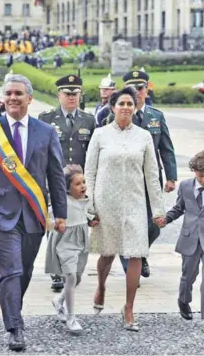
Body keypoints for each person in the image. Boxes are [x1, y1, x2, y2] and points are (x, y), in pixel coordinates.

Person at [0, 74, 67, 351]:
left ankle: (13, 310)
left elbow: (56, 175)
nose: (13, 98)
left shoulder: (46, 132)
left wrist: (60, 213)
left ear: (29, 98)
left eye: (18, 94)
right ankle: (15, 326)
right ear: (2, 98)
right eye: (8, 93)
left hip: (34, 213)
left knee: (23, 272)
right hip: (0, 214)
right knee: (10, 270)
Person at [84, 86, 165, 332]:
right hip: (106, 201)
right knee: (107, 253)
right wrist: (90, 206)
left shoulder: (144, 136)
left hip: (134, 202)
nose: (127, 108)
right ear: (113, 107)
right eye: (122, 104)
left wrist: (158, 209)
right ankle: (101, 286)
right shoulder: (100, 135)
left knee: (136, 253)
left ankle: (129, 308)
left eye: (131, 104)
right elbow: (90, 171)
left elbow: (152, 174)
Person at [39, 74, 95, 291]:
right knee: (56, 226)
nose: (72, 97)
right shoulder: (46, 118)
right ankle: (56, 271)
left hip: (78, 184)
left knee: (76, 224)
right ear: (58, 95)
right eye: (67, 93)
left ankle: (71, 267)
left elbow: (91, 152)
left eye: (75, 93)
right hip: (54, 180)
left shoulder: (88, 120)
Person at [119, 70, 177, 278]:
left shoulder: (156, 116)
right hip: (125, 178)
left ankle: (140, 254)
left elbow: (166, 148)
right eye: (132, 90)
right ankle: (129, 264)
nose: (137, 93)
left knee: (154, 224)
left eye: (141, 88)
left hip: (151, 179)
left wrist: (171, 176)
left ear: (146, 89)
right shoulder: (117, 115)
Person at [45, 164, 98, 333]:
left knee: (77, 278)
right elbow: (46, 221)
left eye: (83, 182)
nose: (83, 186)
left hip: (81, 243)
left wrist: (91, 221)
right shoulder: (61, 203)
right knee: (71, 276)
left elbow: (85, 214)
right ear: (67, 188)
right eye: (77, 184)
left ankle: (59, 300)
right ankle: (71, 318)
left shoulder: (86, 199)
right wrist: (56, 225)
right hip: (65, 242)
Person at [161, 150, 204, 321]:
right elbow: (179, 208)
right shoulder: (186, 186)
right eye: (200, 176)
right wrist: (165, 219)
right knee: (188, 276)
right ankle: (183, 300)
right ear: (194, 172)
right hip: (190, 238)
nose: (203, 180)